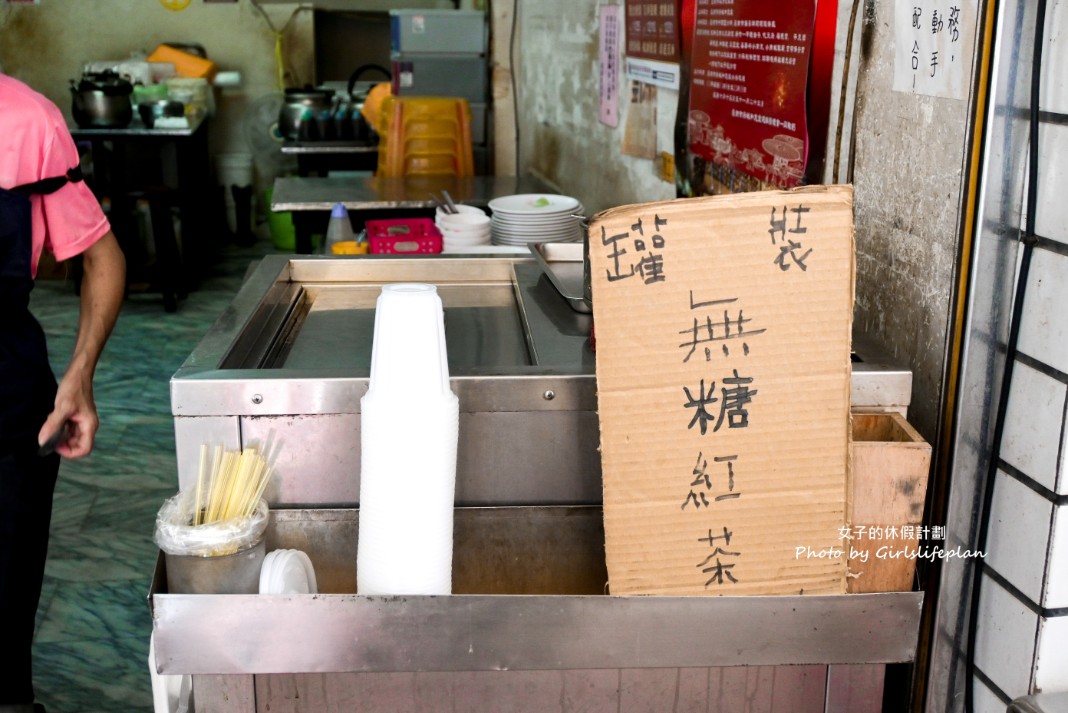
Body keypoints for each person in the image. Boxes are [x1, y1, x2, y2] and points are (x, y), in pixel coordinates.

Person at [0, 72, 125, 712]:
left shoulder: (25, 119)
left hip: (7, 401)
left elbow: (103, 258)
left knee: (7, 594)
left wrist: (80, 377)